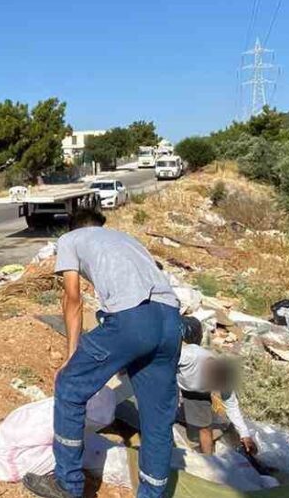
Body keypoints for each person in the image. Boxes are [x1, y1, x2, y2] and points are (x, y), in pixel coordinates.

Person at [22, 209, 182, 498]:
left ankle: (67, 484)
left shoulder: (70, 239)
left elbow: (73, 298)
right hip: (171, 321)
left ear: (74, 228)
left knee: (70, 386)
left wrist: (71, 355)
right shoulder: (126, 239)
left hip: (132, 320)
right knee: (157, 418)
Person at [176, 340, 257, 456]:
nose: (213, 388)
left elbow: (231, 405)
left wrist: (245, 434)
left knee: (205, 427)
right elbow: (163, 362)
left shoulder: (222, 377)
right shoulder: (189, 356)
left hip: (196, 393)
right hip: (172, 380)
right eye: (212, 384)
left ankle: (209, 461)